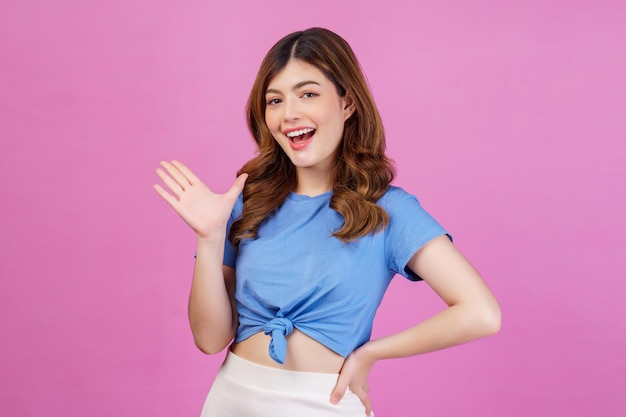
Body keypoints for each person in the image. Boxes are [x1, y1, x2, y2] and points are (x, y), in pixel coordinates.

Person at [154, 27, 501, 417]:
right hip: (232, 399)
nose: (289, 114)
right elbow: (209, 338)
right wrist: (209, 237)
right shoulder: (246, 203)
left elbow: (481, 312)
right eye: (274, 100)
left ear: (347, 103)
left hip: (323, 405)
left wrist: (371, 353)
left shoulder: (388, 211)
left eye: (308, 94)